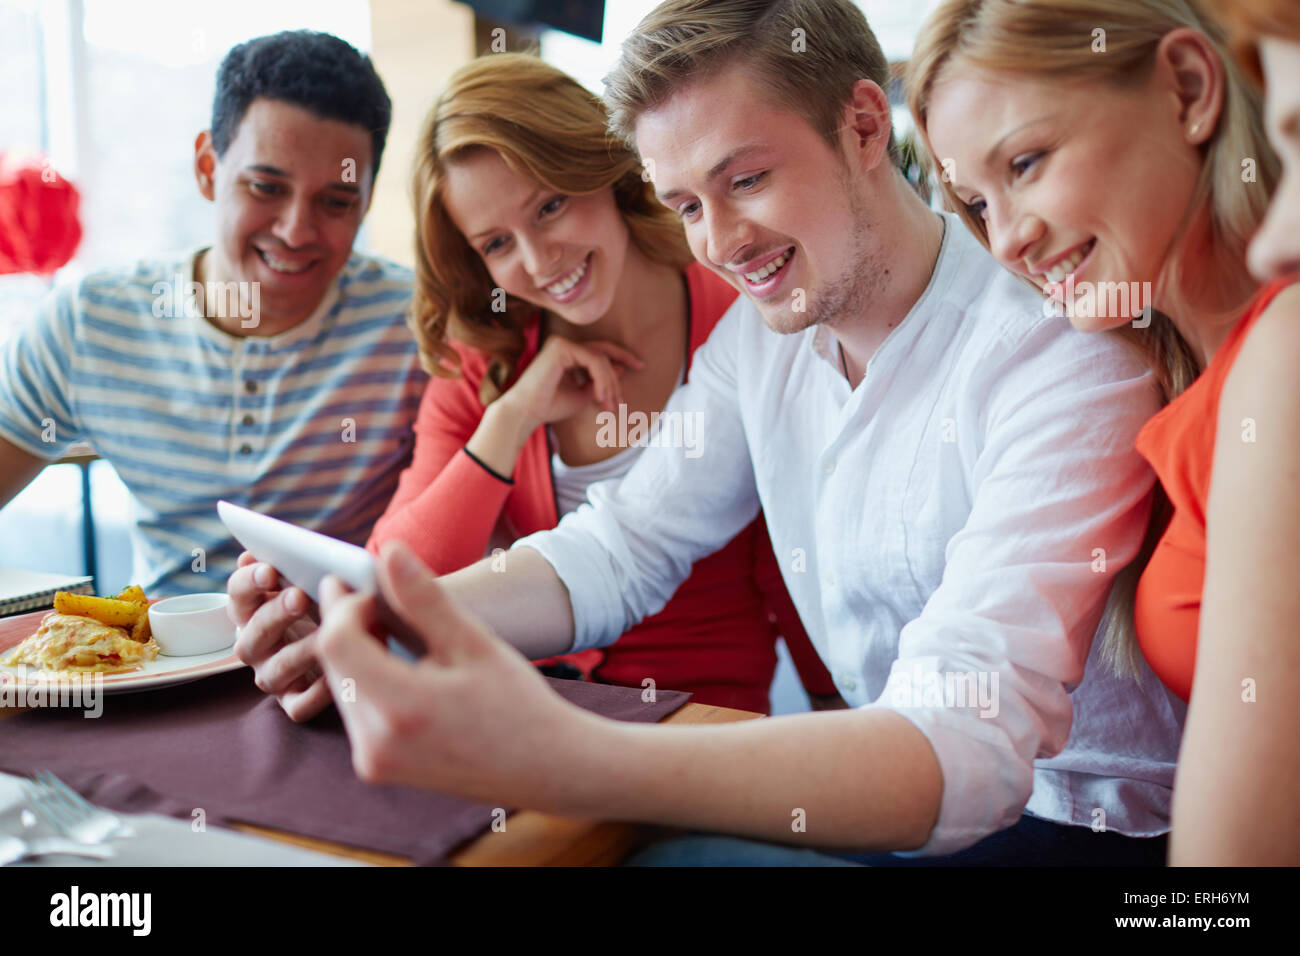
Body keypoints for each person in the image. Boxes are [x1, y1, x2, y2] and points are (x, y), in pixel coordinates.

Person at [230, 0, 1184, 866]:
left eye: (747, 180)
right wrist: (381, 614)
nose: (721, 242)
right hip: (897, 791)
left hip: (1080, 827)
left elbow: (968, 743)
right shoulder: (762, 340)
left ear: (861, 126)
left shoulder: (1057, 347)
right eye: (687, 204)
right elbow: (623, 544)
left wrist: (571, 759)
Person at [908, 0, 1299, 864]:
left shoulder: (1282, 349)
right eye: (975, 202)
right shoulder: (1186, 382)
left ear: (1189, 88)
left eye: (1028, 162)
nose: (1007, 238)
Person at [359, 53, 839, 714]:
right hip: (522, 713)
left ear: (608, 170)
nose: (537, 260)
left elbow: (800, 561)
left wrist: (838, 725)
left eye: (550, 206)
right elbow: (400, 573)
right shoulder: (484, 351)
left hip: (700, 717)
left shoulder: (740, 319)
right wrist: (511, 418)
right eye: (496, 244)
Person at [0, 31, 426, 596]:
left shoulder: (419, 324)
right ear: (207, 167)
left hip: (343, 663)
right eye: (266, 187)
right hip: (154, 667)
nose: (296, 231)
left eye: (336, 202)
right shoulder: (90, 322)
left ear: (367, 199)